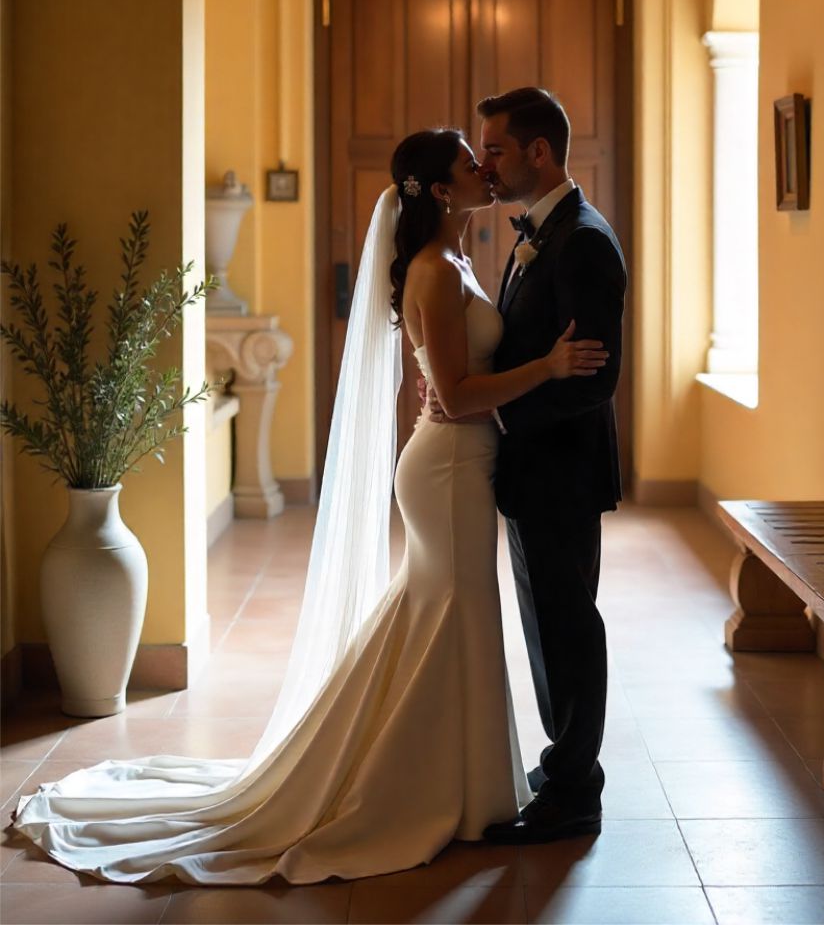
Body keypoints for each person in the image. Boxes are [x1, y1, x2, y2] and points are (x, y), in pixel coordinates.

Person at [10, 127, 608, 885]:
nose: (485, 171)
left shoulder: (455, 258)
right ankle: (419, 788)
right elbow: (454, 398)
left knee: (444, 618)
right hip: (450, 467)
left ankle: (462, 783)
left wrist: (471, 376)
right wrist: (549, 367)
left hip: (460, 465)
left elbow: (442, 373)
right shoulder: (433, 267)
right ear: (439, 189)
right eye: (469, 163)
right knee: (448, 614)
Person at [432, 88, 627, 845]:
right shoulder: (542, 233)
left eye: (497, 148)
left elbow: (597, 375)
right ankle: (565, 759)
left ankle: (578, 790)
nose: (486, 161)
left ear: (538, 152)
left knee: (570, 625)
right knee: (546, 623)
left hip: (563, 470)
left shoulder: (582, 240)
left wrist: (505, 412)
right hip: (531, 469)